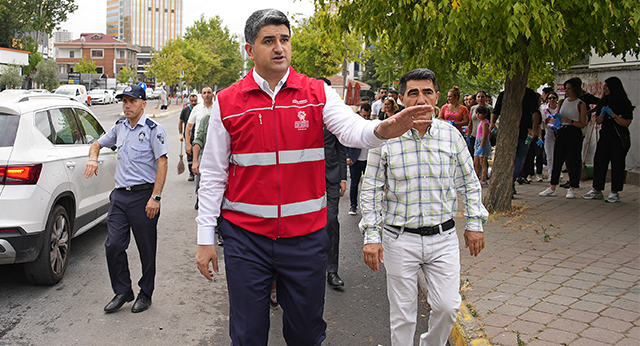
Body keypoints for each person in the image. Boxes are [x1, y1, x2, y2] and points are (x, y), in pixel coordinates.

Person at [194, 9, 431, 345]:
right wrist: (206, 238)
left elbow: (352, 130)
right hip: (246, 240)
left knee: (306, 334)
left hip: (305, 238)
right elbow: (214, 174)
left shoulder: (316, 93)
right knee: (247, 335)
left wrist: (381, 129)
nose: (279, 48)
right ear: (250, 50)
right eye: (269, 41)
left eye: (285, 40)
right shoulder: (227, 102)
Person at [360, 68, 488, 346]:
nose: (420, 100)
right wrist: (371, 237)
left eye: (427, 92)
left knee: (447, 307)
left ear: (437, 97)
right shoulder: (384, 138)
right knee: (403, 316)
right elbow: (370, 190)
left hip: (443, 239)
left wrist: (475, 224)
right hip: (399, 239)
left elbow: (469, 182)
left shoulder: (451, 136)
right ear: (402, 99)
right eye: (413, 93)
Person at [84, 84, 168, 313]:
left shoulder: (153, 129)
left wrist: (156, 197)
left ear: (144, 104)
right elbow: (96, 144)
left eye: (132, 101)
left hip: (144, 196)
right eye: (124, 101)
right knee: (113, 245)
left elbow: (162, 162)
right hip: (120, 196)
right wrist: (93, 158)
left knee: (146, 249)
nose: (127, 105)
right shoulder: (119, 127)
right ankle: (123, 290)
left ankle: (145, 293)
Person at [582, 77, 634, 203]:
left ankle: (615, 192)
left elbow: (626, 122)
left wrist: (613, 115)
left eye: (606, 86)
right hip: (605, 136)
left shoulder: (624, 103)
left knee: (617, 164)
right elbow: (599, 121)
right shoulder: (603, 102)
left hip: (618, 137)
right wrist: (602, 115)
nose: (604, 88)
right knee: (599, 161)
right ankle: (597, 189)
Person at [539, 78, 588, 199]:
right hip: (561, 131)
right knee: (557, 158)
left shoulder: (581, 104)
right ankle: (552, 186)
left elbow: (582, 123)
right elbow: (558, 116)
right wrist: (555, 119)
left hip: (574, 132)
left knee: (572, 160)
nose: (567, 91)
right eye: (566, 88)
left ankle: (572, 186)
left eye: (569, 88)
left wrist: (570, 121)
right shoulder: (562, 102)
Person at [491, 87, 541, 195]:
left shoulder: (529, 94)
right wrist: (492, 123)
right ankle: (506, 184)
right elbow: (496, 111)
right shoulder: (504, 94)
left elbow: (535, 113)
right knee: (506, 159)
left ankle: (510, 182)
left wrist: (534, 129)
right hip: (507, 133)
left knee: (520, 160)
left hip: (524, 133)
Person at [185, 87, 215, 210]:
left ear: (213, 94)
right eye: (204, 93)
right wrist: (188, 143)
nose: (207, 95)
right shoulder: (197, 109)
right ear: (201, 96)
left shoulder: (218, 108)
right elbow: (189, 127)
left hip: (214, 146)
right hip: (200, 145)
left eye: (209, 92)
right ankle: (199, 196)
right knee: (198, 172)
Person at [346, 104, 372, 216]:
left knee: (369, 185)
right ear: (360, 112)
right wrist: (348, 156)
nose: (365, 118)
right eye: (364, 115)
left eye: (367, 116)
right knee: (354, 184)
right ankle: (353, 206)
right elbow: (346, 141)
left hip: (368, 160)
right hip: (355, 159)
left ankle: (367, 208)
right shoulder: (354, 125)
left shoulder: (372, 124)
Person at [179, 94, 198, 181]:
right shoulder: (185, 110)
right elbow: (181, 122)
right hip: (188, 136)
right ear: (189, 101)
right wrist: (180, 134)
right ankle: (191, 173)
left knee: (198, 155)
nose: (193, 103)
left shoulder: (199, 109)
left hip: (198, 136)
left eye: (195, 101)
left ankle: (198, 172)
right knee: (189, 155)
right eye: (192, 101)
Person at [542, 91, 559, 180]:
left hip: (559, 132)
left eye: (553, 98)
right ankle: (551, 174)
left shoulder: (559, 109)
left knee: (558, 154)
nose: (551, 100)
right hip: (549, 133)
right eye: (550, 98)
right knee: (550, 155)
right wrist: (552, 126)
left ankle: (557, 173)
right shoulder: (544, 109)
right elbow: (544, 123)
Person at [474, 105, 492, 185]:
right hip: (477, 141)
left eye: (479, 113)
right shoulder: (480, 122)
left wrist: (481, 146)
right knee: (476, 161)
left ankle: (484, 178)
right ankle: (476, 177)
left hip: (482, 142)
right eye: (476, 113)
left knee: (483, 162)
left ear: (485, 114)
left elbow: (485, 136)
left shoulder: (485, 123)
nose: (478, 115)